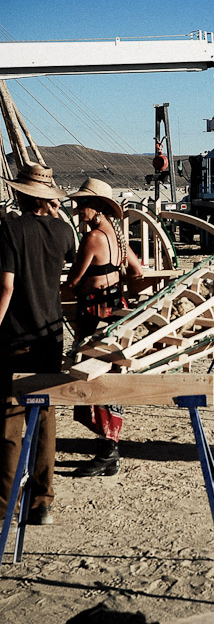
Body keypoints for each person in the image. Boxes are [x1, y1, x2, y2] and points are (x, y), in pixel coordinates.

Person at [0, 163, 76, 525]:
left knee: (11, 422)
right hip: (50, 334)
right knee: (44, 415)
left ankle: (5, 502)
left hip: (16, 335)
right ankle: (40, 501)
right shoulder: (63, 232)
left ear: (20, 194)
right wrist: (56, 214)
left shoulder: (11, 229)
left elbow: (6, 287)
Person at [66, 178, 142, 477]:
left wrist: (78, 288)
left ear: (95, 207)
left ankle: (107, 450)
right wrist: (116, 283)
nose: (78, 208)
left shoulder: (93, 238)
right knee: (110, 372)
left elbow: (73, 280)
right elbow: (136, 271)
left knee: (92, 373)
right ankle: (110, 444)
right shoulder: (116, 237)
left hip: (93, 311)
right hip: (113, 308)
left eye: (82, 204)